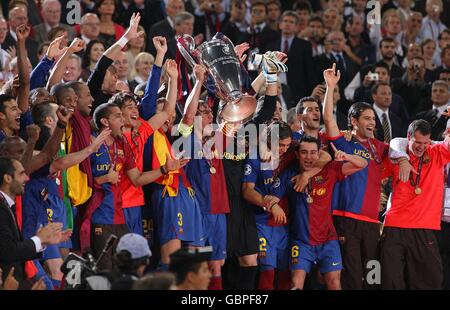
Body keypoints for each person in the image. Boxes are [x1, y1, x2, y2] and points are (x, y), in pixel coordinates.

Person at [268, 135, 368, 290]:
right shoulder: (289, 175)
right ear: (297, 154)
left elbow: (363, 163)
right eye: (304, 152)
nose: (309, 157)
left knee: (334, 283)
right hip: (301, 241)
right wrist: (274, 205)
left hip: (328, 239)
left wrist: (346, 156)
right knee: (296, 283)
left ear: (319, 153)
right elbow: (271, 198)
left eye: (313, 152)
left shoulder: (330, 169)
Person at [323, 64, 390, 290]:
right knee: (351, 276)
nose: (372, 122)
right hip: (346, 219)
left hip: (372, 223)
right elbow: (328, 120)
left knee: (373, 274)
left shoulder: (381, 148)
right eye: (367, 118)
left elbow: (401, 148)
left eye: (373, 119)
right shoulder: (344, 142)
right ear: (353, 121)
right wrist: (331, 87)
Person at [381, 119, 450, 289]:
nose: (421, 147)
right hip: (394, 226)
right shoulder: (396, 156)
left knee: (429, 281)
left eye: (426, 143)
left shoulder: (436, 153)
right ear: (408, 137)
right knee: (391, 281)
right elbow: (376, 176)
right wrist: (401, 157)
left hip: (424, 227)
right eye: (417, 142)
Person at [0, 156, 71, 288]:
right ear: (7, 178)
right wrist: (39, 239)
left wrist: (43, 241)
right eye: (21, 174)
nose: (27, 178)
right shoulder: (1, 208)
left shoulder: (9, 205)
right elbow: (8, 251)